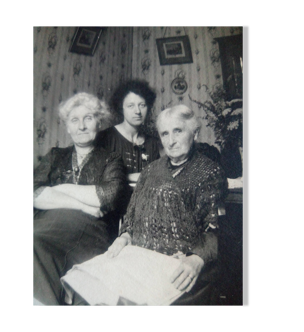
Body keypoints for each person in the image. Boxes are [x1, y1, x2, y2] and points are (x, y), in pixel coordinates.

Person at [106, 104, 229, 306]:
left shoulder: (210, 172)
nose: (171, 141)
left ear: (195, 133)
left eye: (177, 131)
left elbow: (216, 229)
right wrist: (125, 236)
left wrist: (197, 258)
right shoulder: (150, 170)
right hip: (141, 260)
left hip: (180, 266)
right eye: (165, 134)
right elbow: (131, 215)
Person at [31, 92, 129, 306]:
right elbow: (33, 193)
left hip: (90, 232)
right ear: (67, 126)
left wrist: (57, 190)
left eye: (88, 118)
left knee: (35, 240)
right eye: (74, 120)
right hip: (48, 225)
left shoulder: (110, 159)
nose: (81, 126)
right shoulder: (55, 155)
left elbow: (107, 196)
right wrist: (82, 205)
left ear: (99, 123)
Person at [95, 79, 160, 188]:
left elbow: (157, 177)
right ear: (121, 108)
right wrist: (134, 177)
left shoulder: (152, 143)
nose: (138, 111)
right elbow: (99, 178)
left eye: (142, 105)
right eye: (131, 106)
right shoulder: (105, 137)